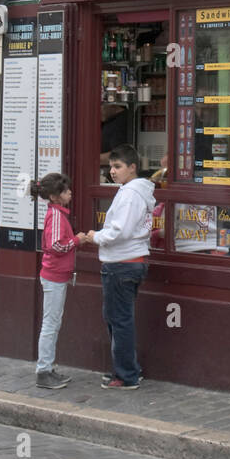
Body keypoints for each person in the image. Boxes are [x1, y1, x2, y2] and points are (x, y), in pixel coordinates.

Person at [85, 145, 154, 390]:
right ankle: (127, 368)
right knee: (118, 319)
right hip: (130, 262)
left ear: (132, 167)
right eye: (110, 167)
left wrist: (96, 236)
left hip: (121, 264)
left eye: (118, 167)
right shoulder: (133, 192)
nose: (112, 172)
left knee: (120, 320)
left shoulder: (130, 195)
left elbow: (119, 231)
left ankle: (126, 376)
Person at [33, 174, 87, 391]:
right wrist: (77, 240)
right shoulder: (56, 216)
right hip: (54, 276)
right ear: (55, 197)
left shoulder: (57, 213)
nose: (70, 193)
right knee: (50, 324)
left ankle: (47, 367)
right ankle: (43, 370)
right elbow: (56, 245)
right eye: (66, 191)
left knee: (53, 323)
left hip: (56, 275)